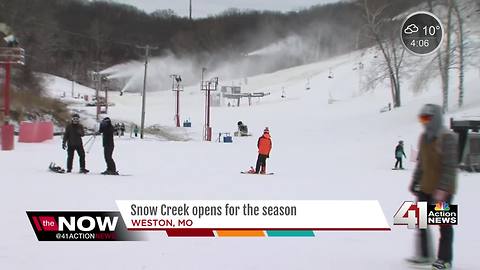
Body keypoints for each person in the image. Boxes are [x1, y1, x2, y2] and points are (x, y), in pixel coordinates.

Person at [407, 104, 458, 270]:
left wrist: (443, 189)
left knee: (443, 224)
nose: (424, 122)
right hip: (426, 186)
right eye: (421, 119)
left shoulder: (447, 137)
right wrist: (415, 181)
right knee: (420, 220)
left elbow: (450, 167)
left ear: (435, 118)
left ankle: (445, 259)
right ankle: (424, 254)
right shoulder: (423, 137)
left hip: (443, 188)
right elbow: (421, 163)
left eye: (426, 118)